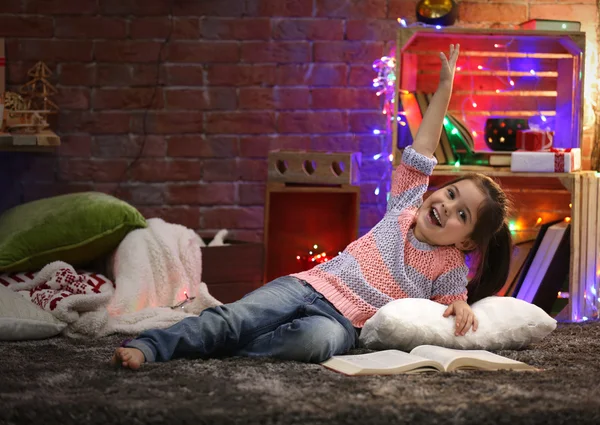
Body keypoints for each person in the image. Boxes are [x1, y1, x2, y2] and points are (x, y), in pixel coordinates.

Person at [112, 44, 512, 370]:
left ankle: (228, 348)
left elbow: (446, 308)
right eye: (452, 193)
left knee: (315, 343)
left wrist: (460, 305)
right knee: (237, 316)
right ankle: (153, 345)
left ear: (466, 243)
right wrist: (444, 89)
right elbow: (424, 148)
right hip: (310, 285)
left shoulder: (449, 268)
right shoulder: (405, 207)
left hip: (342, 324)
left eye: (463, 215)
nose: (448, 205)